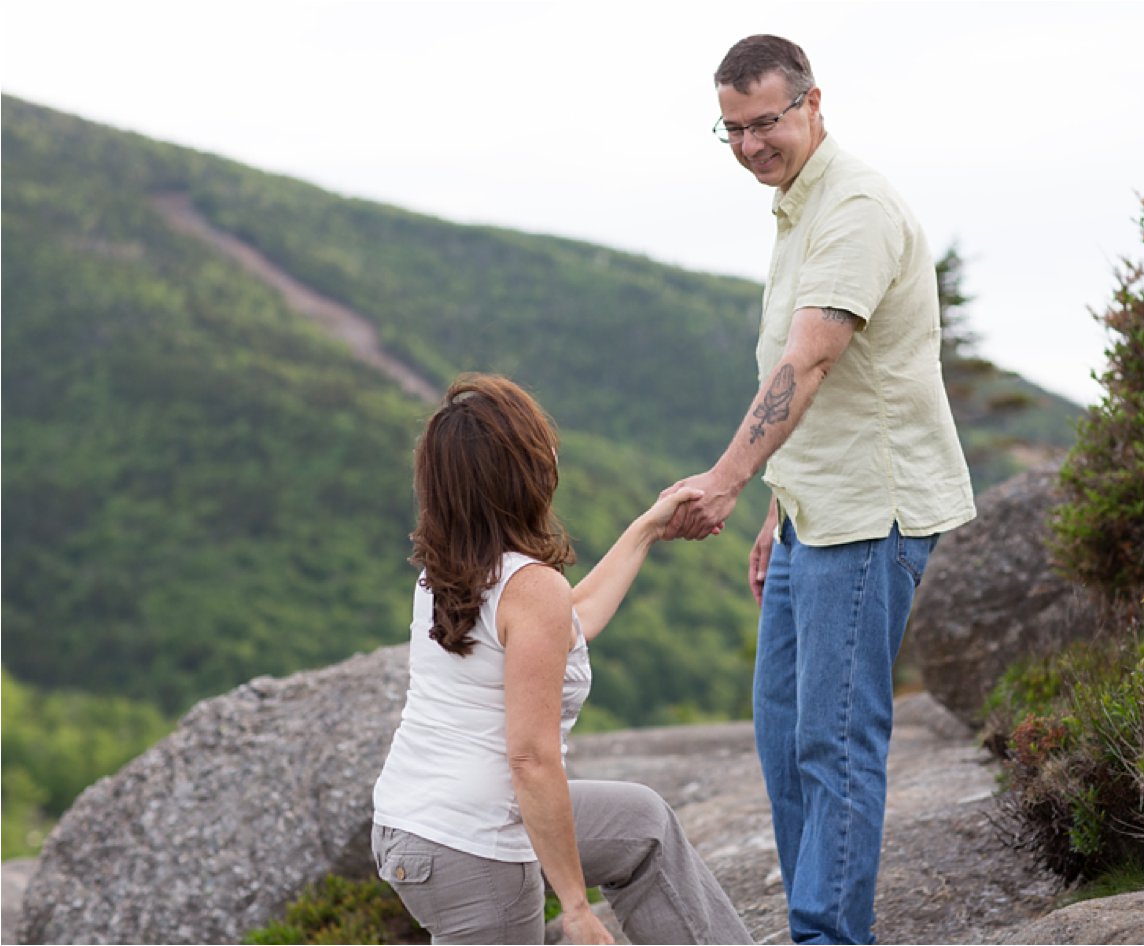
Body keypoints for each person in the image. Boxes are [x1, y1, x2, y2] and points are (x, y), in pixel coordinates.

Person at [661, 35, 976, 945]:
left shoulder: (857, 207)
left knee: (835, 746)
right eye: (733, 129)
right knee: (784, 742)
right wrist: (774, 508)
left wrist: (725, 482)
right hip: (813, 513)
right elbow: (817, 390)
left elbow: (810, 361)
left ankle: (828, 937)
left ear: (812, 104)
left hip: (870, 516)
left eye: (767, 121)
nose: (753, 143)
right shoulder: (797, 207)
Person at [371, 374, 753, 945]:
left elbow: (572, 620)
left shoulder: (450, 568)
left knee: (640, 824)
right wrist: (575, 905)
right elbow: (530, 759)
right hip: (473, 845)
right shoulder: (529, 588)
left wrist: (648, 527)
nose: (553, 451)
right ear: (520, 471)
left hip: (411, 824)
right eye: (540, 443)